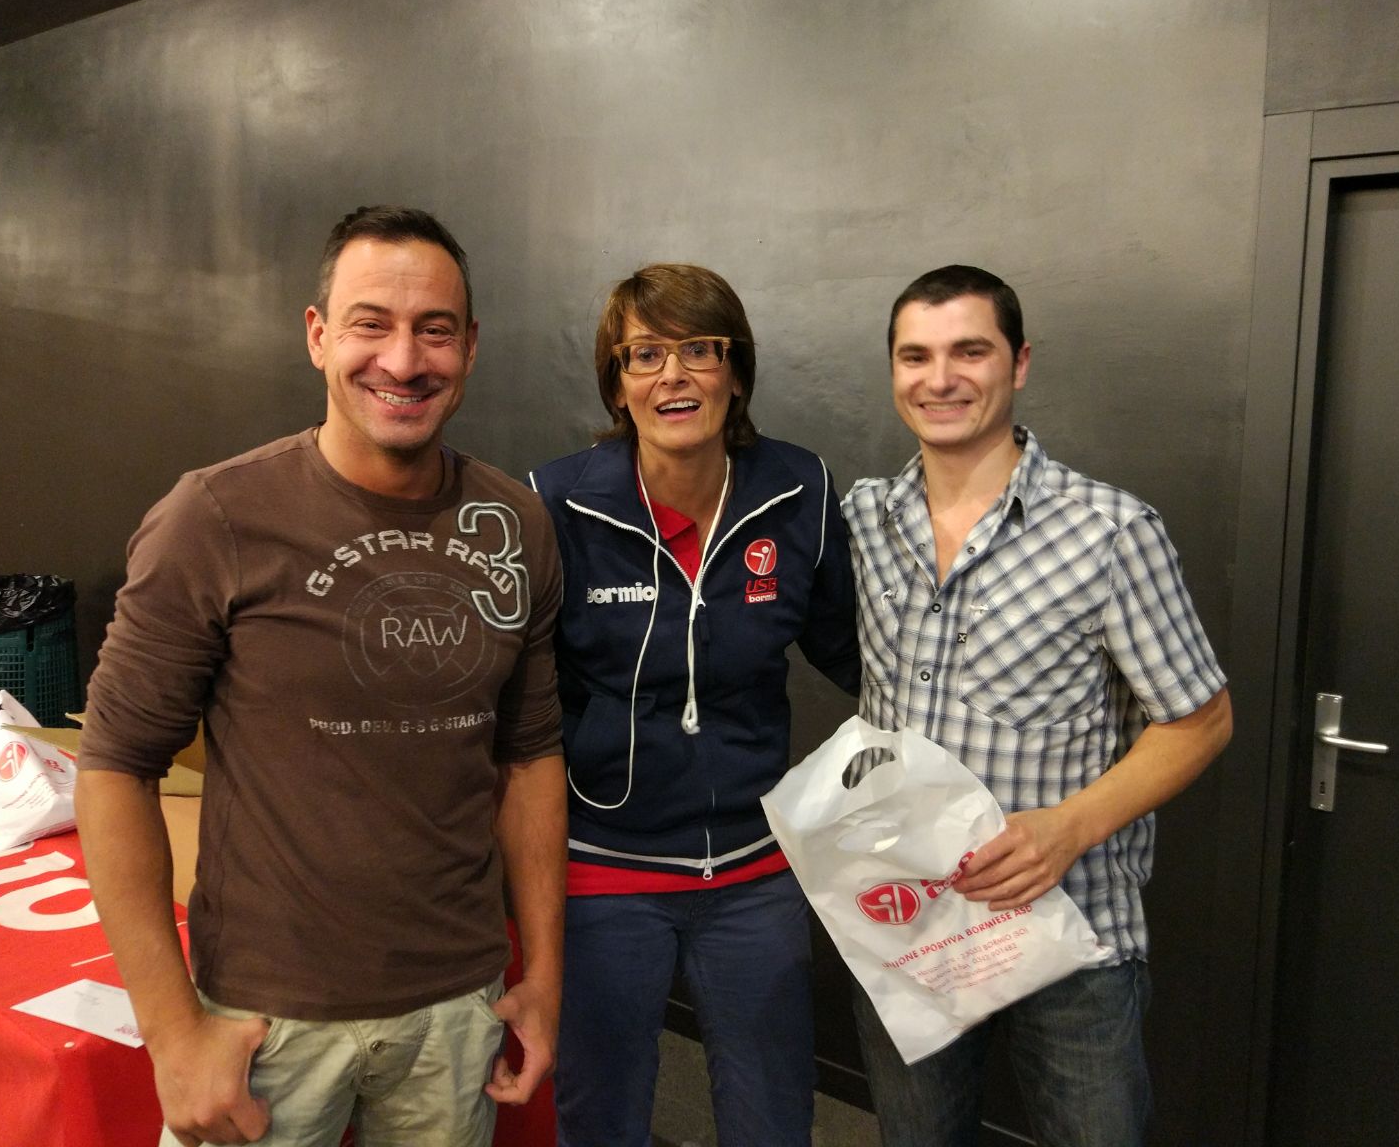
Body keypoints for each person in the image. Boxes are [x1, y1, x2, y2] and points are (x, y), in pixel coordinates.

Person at [75, 205, 566, 1147]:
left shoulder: (516, 523)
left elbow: (530, 755)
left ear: (470, 346)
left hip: (456, 1006)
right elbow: (114, 768)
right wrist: (171, 1032)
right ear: (317, 336)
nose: (402, 360)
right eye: (370, 324)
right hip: (265, 1019)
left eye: (433, 330)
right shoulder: (214, 518)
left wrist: (542, 975)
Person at [843, 265, 1233, 1146]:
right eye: (915, 356)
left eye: (968, 351)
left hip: (1070, 931)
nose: (939, 378)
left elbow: (1201, 720)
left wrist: (1067, 828)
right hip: (910, 920)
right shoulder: (862, 521)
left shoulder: (1109, 530)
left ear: (1018, 363)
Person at [528, 264, 860, 1147]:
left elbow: (861, 657)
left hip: (754, 868)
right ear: (617, 385)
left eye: (699, 350)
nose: (672, 375)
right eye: (644, 355)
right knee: (600, 1120)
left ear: (735, 372)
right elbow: (515, 705)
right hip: (605, 869)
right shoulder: (556, 502)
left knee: (773, 1122)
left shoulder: (798, 489)